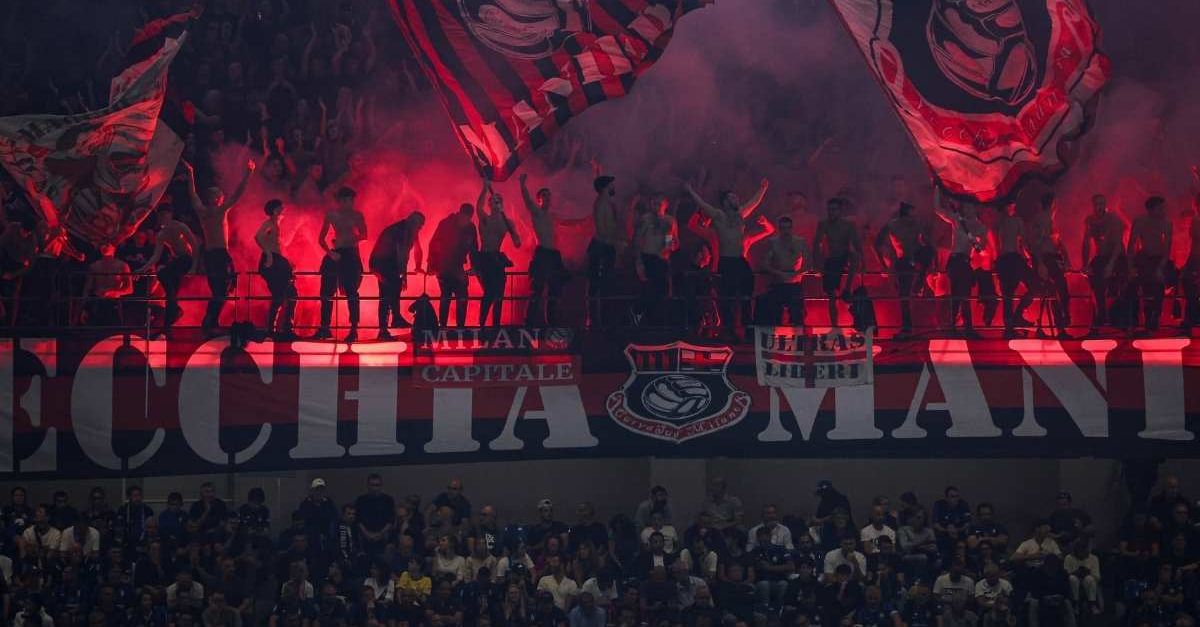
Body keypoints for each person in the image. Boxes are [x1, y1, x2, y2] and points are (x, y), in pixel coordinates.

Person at [684, 178, 770, 339]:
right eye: (732, 197)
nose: (736, 198)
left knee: (746, 295)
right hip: (726, 261)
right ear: (725, 202)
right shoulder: (718, 215)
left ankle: (748, 328)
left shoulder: (740, 214)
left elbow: (753, 203)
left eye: (736, 197)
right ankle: (728, 330)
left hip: (740, 261)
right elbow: (703, 204)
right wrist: (690, 191)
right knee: (727, 297)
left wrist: (763, 188)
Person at [186, 158, 254, 332]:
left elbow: (193, 195)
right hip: (218, 255)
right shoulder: (218, 210)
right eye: (219, 194)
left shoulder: (205, 210)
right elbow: (237, 194)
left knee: (222, 289)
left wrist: (190, 174)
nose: (221, 196)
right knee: (220, 291)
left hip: (214, 255)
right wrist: (248, 173)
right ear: (216, 198)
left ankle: (211, 320)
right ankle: (209, 321)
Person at [313, 186, 367, 342]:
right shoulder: (331, 215)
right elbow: (321, 239)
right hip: (336, 254)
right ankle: (325, 328)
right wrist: (331, 253)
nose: (347, 203)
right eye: (344, 200)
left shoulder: (357, 215)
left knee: (351, 292)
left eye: (349, 200)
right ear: (339, 201)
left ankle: (354, 329)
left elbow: (364, 234)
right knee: (326, 291)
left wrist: (350, 240)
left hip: (350, 254)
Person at [136, 205, 200, 334]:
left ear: (170, 215)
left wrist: (194, 267)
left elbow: (195, 246)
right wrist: (142, 269)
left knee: (165, 276)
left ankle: (174, 311)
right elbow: (156, 256)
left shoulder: (180, 227)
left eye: (165, 215)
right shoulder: (162, 234)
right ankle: (168, 324)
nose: (163, 218)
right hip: (176, 263)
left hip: (186, 259)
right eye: (161, 216)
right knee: (171, 293)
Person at [520, 174, 572, 327]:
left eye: (549, 195)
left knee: (555, 289)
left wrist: (587, 220)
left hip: (553, 255)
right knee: (537, 289)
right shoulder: (537, 213)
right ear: (539, 199)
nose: (548, 198)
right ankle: (529, 321)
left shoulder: (552, 216)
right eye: (544, 195)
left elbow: (568, 222)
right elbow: (527, 201)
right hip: (542, 252)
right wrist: (522, 184)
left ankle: (551, 320)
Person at [934, 192, 988, 337]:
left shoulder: (980, 227)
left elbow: (982, 248)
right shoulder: (958, 220)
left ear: (975, 208)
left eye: (970, 207)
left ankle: (964, 328)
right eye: (965, 207)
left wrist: (976, 243)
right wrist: (938, 189)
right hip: (954, 261)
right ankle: (956, 328)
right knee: (957, 295)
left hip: (965, 262)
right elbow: (938, 209)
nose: (967, 210)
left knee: (963, 295)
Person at [875, 202, 929, 337]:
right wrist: (883, 265)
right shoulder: (893, 225)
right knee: (904, 295)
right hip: (903, 261)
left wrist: (927, 263)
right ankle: (907, 327)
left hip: (915, 259)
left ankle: (919, 284)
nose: (913, 218)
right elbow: (877, 243)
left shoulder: (915, 224)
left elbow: (926, 244)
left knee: (906, 295)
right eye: (911, 215)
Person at [370, 211, 426, 339]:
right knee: (386, 296)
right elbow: (401, 253)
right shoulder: (400, 230)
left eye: (421, 226)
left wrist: (417, 266)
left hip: (390, 263)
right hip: (382, 263)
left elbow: (417, 249)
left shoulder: (411, 231)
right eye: (419, 225)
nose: (420, 228)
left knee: (394, 290)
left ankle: (395, 318)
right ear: (412, 222)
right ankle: (385, 328)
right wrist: (403, 274)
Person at [475, 179, 521, 327]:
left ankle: (496, 325)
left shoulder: (507, 222)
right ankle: (482, 324)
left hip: (496, 258)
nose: (497, 203)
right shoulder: (485, 219)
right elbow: (478, 207)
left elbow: (517, 241)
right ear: (489, 204)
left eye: (499, 201)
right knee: (489, 292)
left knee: (499, 294)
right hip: (485, 258)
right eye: (494, 201)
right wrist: (485, 188)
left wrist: (516, 238)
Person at [813, 196, 863, 330]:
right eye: (829, 210)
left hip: (845, 257)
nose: (831, 212)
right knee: (831, 295)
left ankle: (847, 289)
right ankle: (835, 326)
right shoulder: (823, 224)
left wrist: (862, 261)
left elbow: (856, 245)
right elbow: (817, 244)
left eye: (834, 210)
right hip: (832, 259)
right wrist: (817, 263)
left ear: (840, 211)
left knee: (853, 255)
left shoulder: (848, 225)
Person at [428, 202, 479, 328]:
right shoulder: (446, 224)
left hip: (457, 266)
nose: (465, 220)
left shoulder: (470, 228)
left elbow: (473, 249)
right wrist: (433, 265)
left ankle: (459, 326)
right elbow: (434, 244)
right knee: (447, 295)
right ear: (459, 213)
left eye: (468, 218)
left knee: (460, 296)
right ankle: (443, 325)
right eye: (464, 217)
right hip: (444, 265)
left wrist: (474, 266)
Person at [1128, 196, 1174, 332]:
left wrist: (1161, 267)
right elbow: (1131, 244)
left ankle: (1154, 316)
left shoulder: (1166, 223)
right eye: (1160, 208)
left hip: (1159, 258)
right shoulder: (1140, 221)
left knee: (1158, 282)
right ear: (1151, 209)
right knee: (1133, 283)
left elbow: (1167, 248)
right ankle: (1134, 319)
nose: (1163, 211)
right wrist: (1130, 265)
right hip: (1143, 258)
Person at [1081, 194, 1126, 333]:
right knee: (1095, 281)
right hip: (1101, 257)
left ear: (1105, 205)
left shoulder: (1114, 220)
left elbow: (1118, 245)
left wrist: (1111, 265)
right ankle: (1101, 314)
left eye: (1101, 204)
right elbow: (1086, 243)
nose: (1099, 207)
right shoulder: (1090, 221)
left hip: (1117, 257)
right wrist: (1085, 264)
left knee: (1115, 283)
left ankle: (1116, 318)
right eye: (1096, 204)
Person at [1027, 193, 1071, 337]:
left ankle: (1061, 326)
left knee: (1056, 292)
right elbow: (1034, 244)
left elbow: (1057, 242)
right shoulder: (1040, 220)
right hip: (1046, 260)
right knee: (1057, 291)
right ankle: (1062, 324)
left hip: (1052, 259)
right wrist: (1040, 264)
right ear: (1052, 204)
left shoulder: (1050, 221)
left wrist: (1066, 258)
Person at [633, 193, 678, 326]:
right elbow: (636, 240)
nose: (656, 207)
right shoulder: (645, 219)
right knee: (649, 290)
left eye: (659, 204)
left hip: (663, 260)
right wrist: (639, 262)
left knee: (662, 292)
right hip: (648, 258)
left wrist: (672, 246)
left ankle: (656, 323)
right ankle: (640, 315)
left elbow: (674, 242)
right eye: (654, 203)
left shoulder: (670, 221)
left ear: (665, 205)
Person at [255, 199, 297, 339]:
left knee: (285, 295)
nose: (284, 209)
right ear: (275, 210)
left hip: (278, 261)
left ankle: (278, 329)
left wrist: (287, 261)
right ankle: (280, 329)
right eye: (281, 207)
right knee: (285, 294)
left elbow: (279, 244)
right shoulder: (269, 223)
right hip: (273, 263)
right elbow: (258, 236)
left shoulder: (276, 224)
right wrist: (268, 254)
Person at [993, 201, 1037, 337]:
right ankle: (1015, 319)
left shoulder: (999, 222)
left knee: (1008, 295)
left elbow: (997, 245)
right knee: (1034, 286)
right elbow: (1023, 242)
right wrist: (1031, 257)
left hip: (1004, 260)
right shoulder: (1015, 221)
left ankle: (1010, 327)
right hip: (1013, 259)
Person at [760, 214, 809, 327]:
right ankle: (773, 333)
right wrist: (778, 273)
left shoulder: (800, 242)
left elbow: (808, 264)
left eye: (788, 228)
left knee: (797, 315)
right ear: (779, 229)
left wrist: (796, 274)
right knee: (773, 314)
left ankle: (799, 334)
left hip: (795, 285)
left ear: (792, 228)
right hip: (778, 284)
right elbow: (764, 264)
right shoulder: (773, 243)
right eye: (783, 228)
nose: (786, 231)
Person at [588, 175, 620, 328]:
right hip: (601, 248)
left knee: (605, 285)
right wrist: (617, 242)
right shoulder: (601, 203)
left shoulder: (606, 202)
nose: (614, 187)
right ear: (605, 187)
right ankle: (596, 322)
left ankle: (603, 320)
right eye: (611, 184)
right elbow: (601, 230)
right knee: (599, 286)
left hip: (605, 248)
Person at [82, 243, 133, 325]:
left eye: (108, 244)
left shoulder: (122, 266)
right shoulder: (94, 266)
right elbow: (87, 289)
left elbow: (129, 289)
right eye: (103, 244)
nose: (105, 246)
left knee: (113, 329)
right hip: (97, 304)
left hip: (114, 304)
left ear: (114, 247)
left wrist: (112, 292)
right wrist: (84, 308)